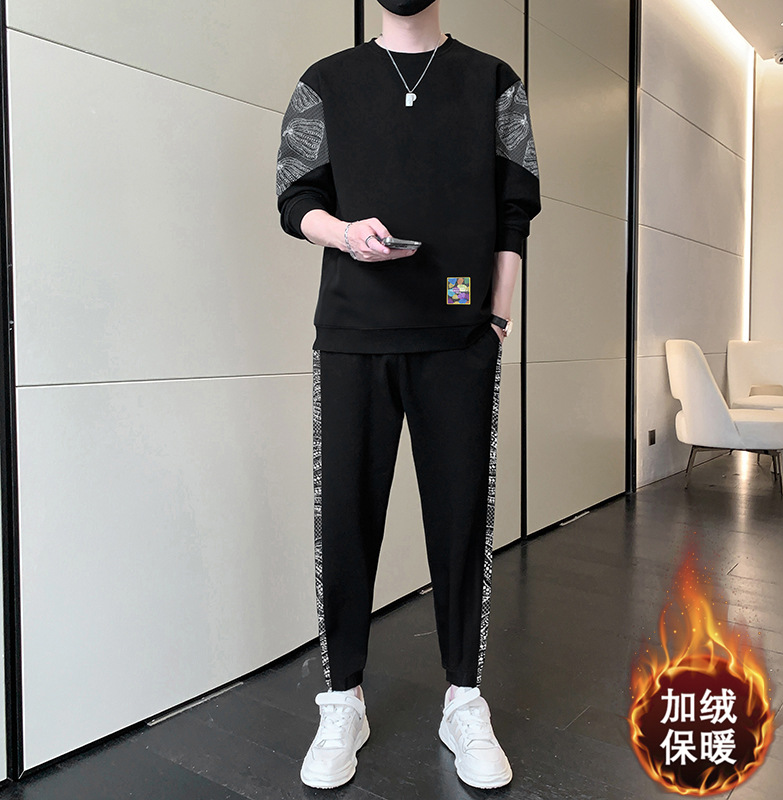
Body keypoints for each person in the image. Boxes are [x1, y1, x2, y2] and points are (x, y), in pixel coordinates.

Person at [276, 0, 540, 789]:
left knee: (460, 519)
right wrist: (344, 233)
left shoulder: (494, 82)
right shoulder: (327, 82)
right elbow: (294, 195)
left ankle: (464, 698)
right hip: (353, 335)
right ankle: (342, 699)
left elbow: (515, 210)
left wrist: (497, 317)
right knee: (346, 518)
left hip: (459, 336)